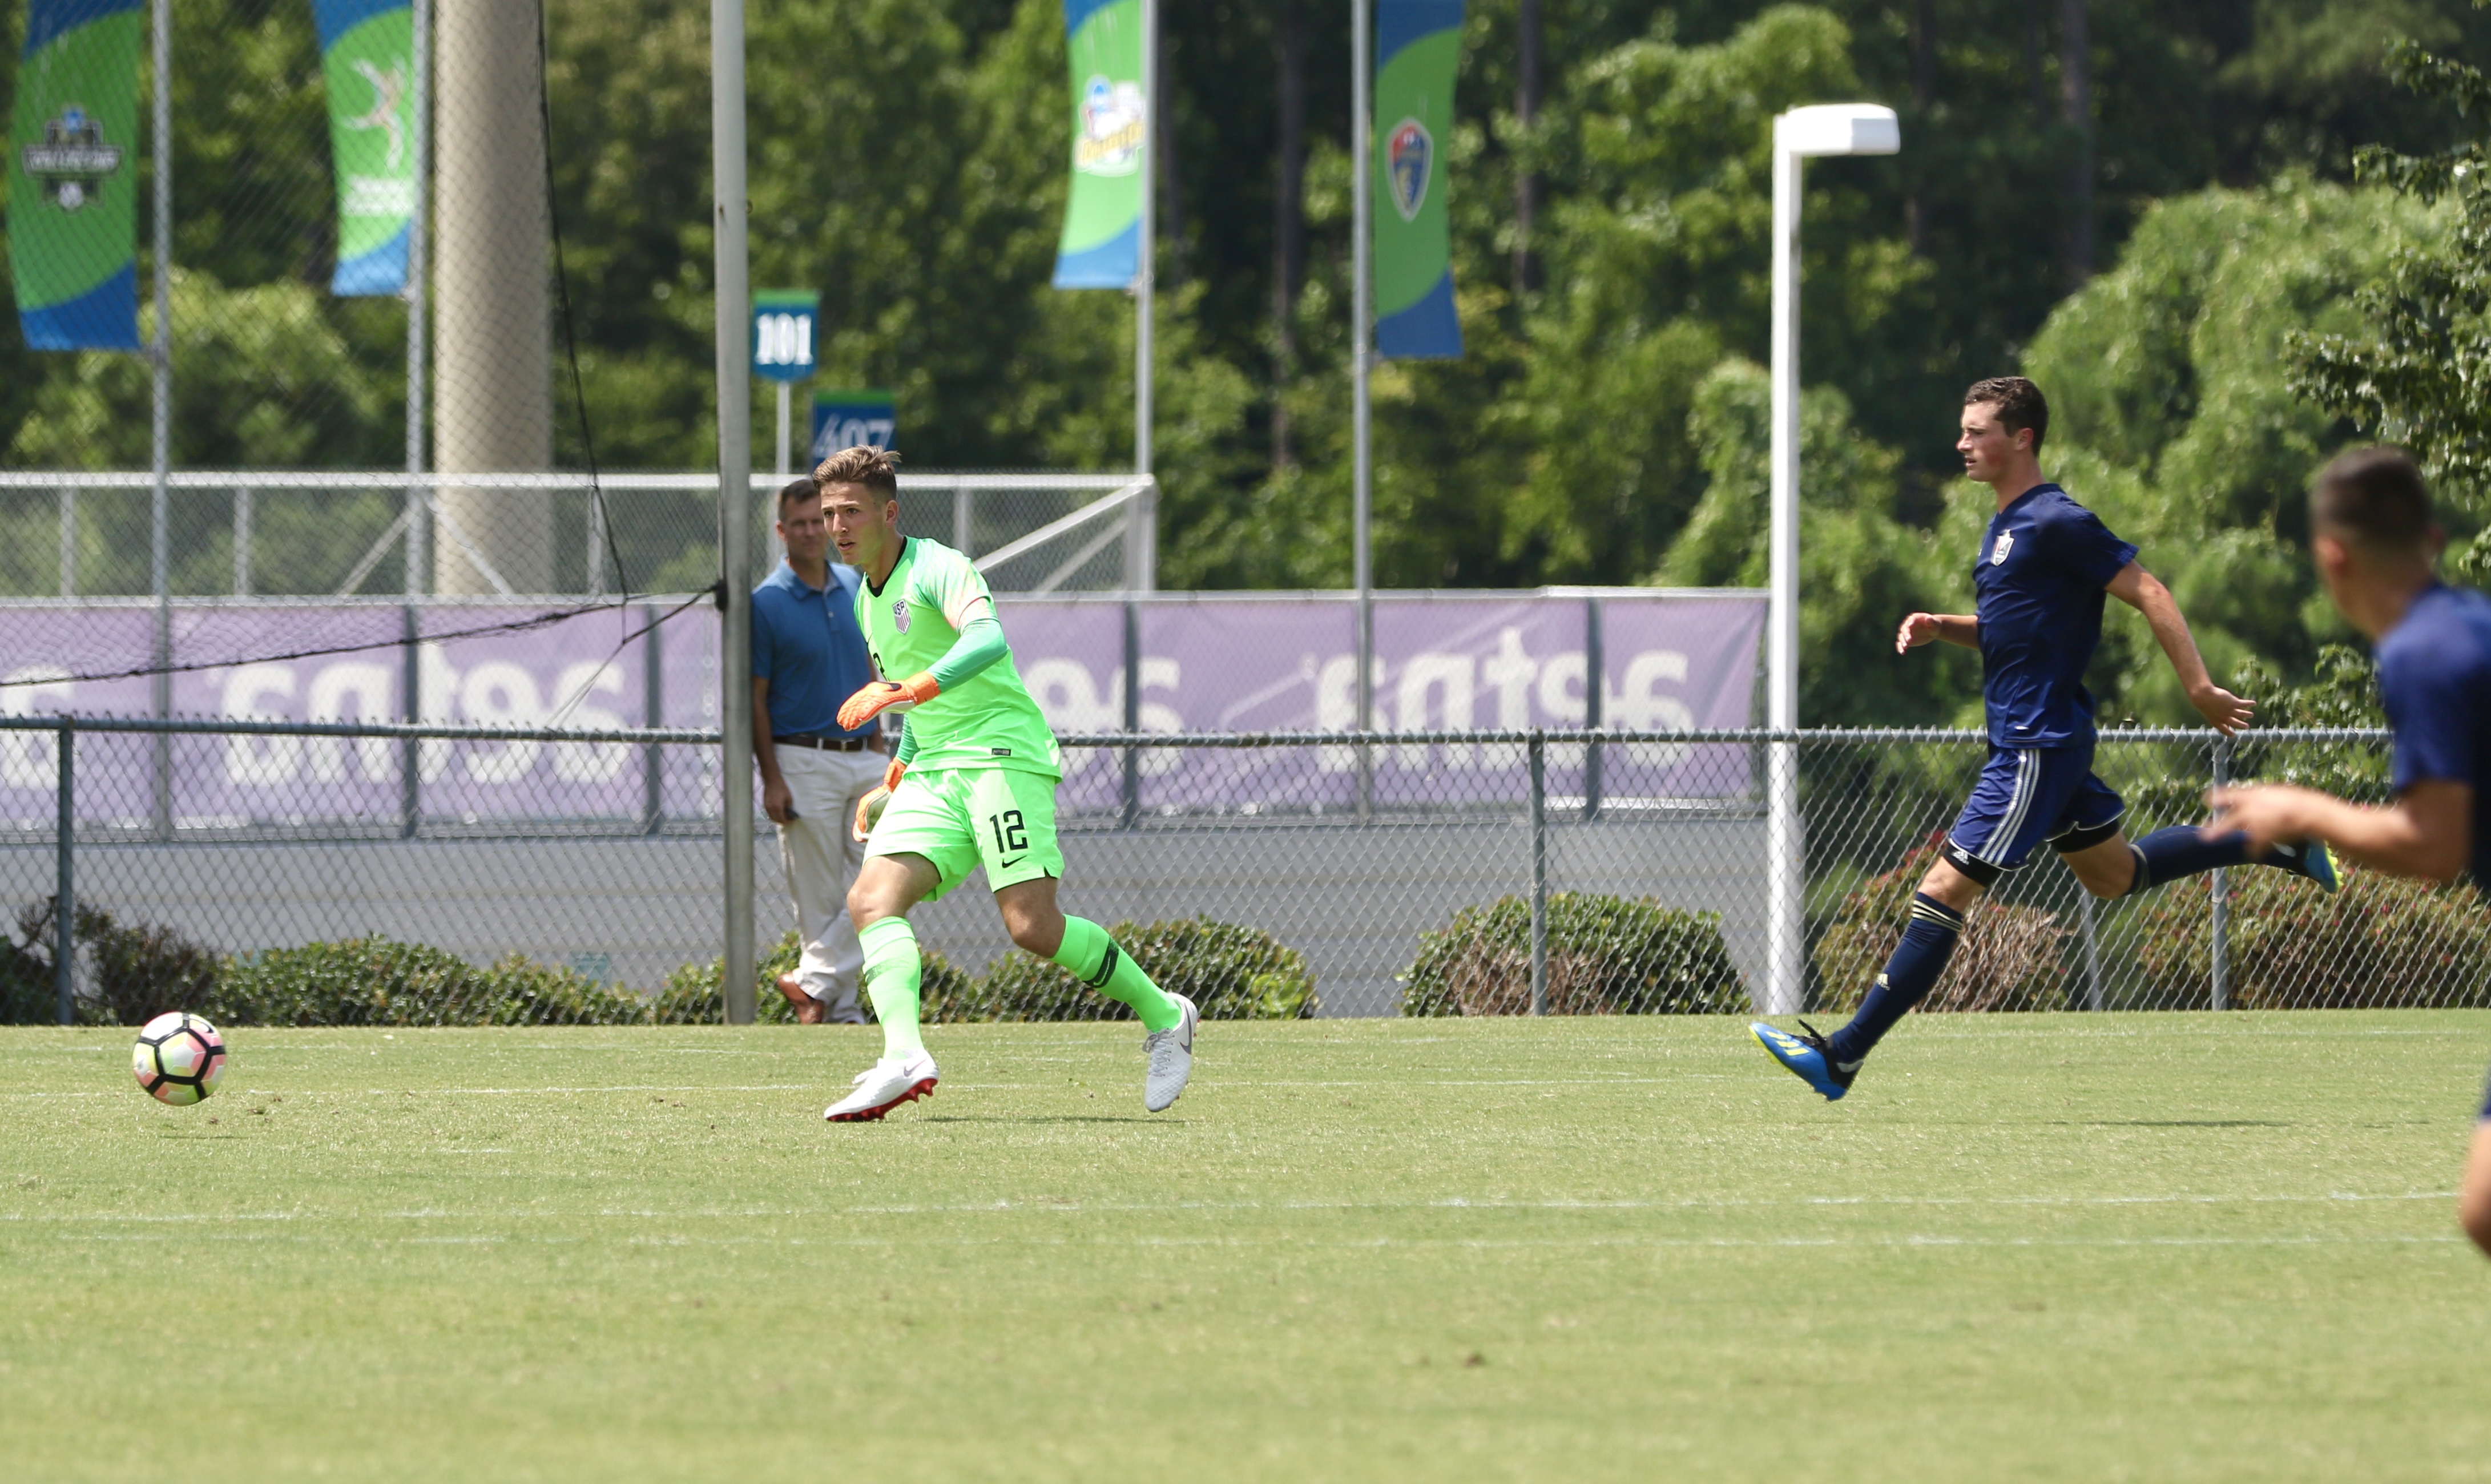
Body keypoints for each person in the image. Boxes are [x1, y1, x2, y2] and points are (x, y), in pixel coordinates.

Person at [1751, 376, 2337, 1099]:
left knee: (1939, 891)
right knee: (2111, 875)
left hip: (2034, 745)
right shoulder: (2001, 527)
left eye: (1975, 430)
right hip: (2042, 742)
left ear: (2020, 437)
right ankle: (2267, 841)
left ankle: (1841, 1055)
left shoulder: (2055, 519)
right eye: (1962, 430)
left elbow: (2149, 590)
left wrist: (2198, 688)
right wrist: (1946, 627)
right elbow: (2016, 630)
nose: (1960, 443)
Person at [814, 445, 1197, 1121]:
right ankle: (903, 1055)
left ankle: (1166, 1014)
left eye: (851, 511)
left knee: (1031, 926)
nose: (838, 525)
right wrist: (893, 777)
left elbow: (988, 640)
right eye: (828, 513)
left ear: (888, 512)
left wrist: (905, 687)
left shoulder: (938, 566)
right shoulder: (866, 604)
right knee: (871, 900)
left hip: (1000, 756)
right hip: (934, 768)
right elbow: (922, 714)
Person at [2203, 447, 2491, 1256]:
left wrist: (2305, 808)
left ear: (2332, 555)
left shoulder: (2421, 654)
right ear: (2433, 538)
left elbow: (2435, 847)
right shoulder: (2468, 622)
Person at [751, 476, 887, 1026]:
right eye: (802, 523)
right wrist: (772, 779)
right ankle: (841, 1009)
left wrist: (879, 743)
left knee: (884, 880)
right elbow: (754, 699)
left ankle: (811, 984)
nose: (814, 531)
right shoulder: (767, 603)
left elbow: (873, 670)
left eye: (821, 520)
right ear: (783, 531)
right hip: (800, 758)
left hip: (868, 757)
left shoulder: (858, 586)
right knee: (818, 897)